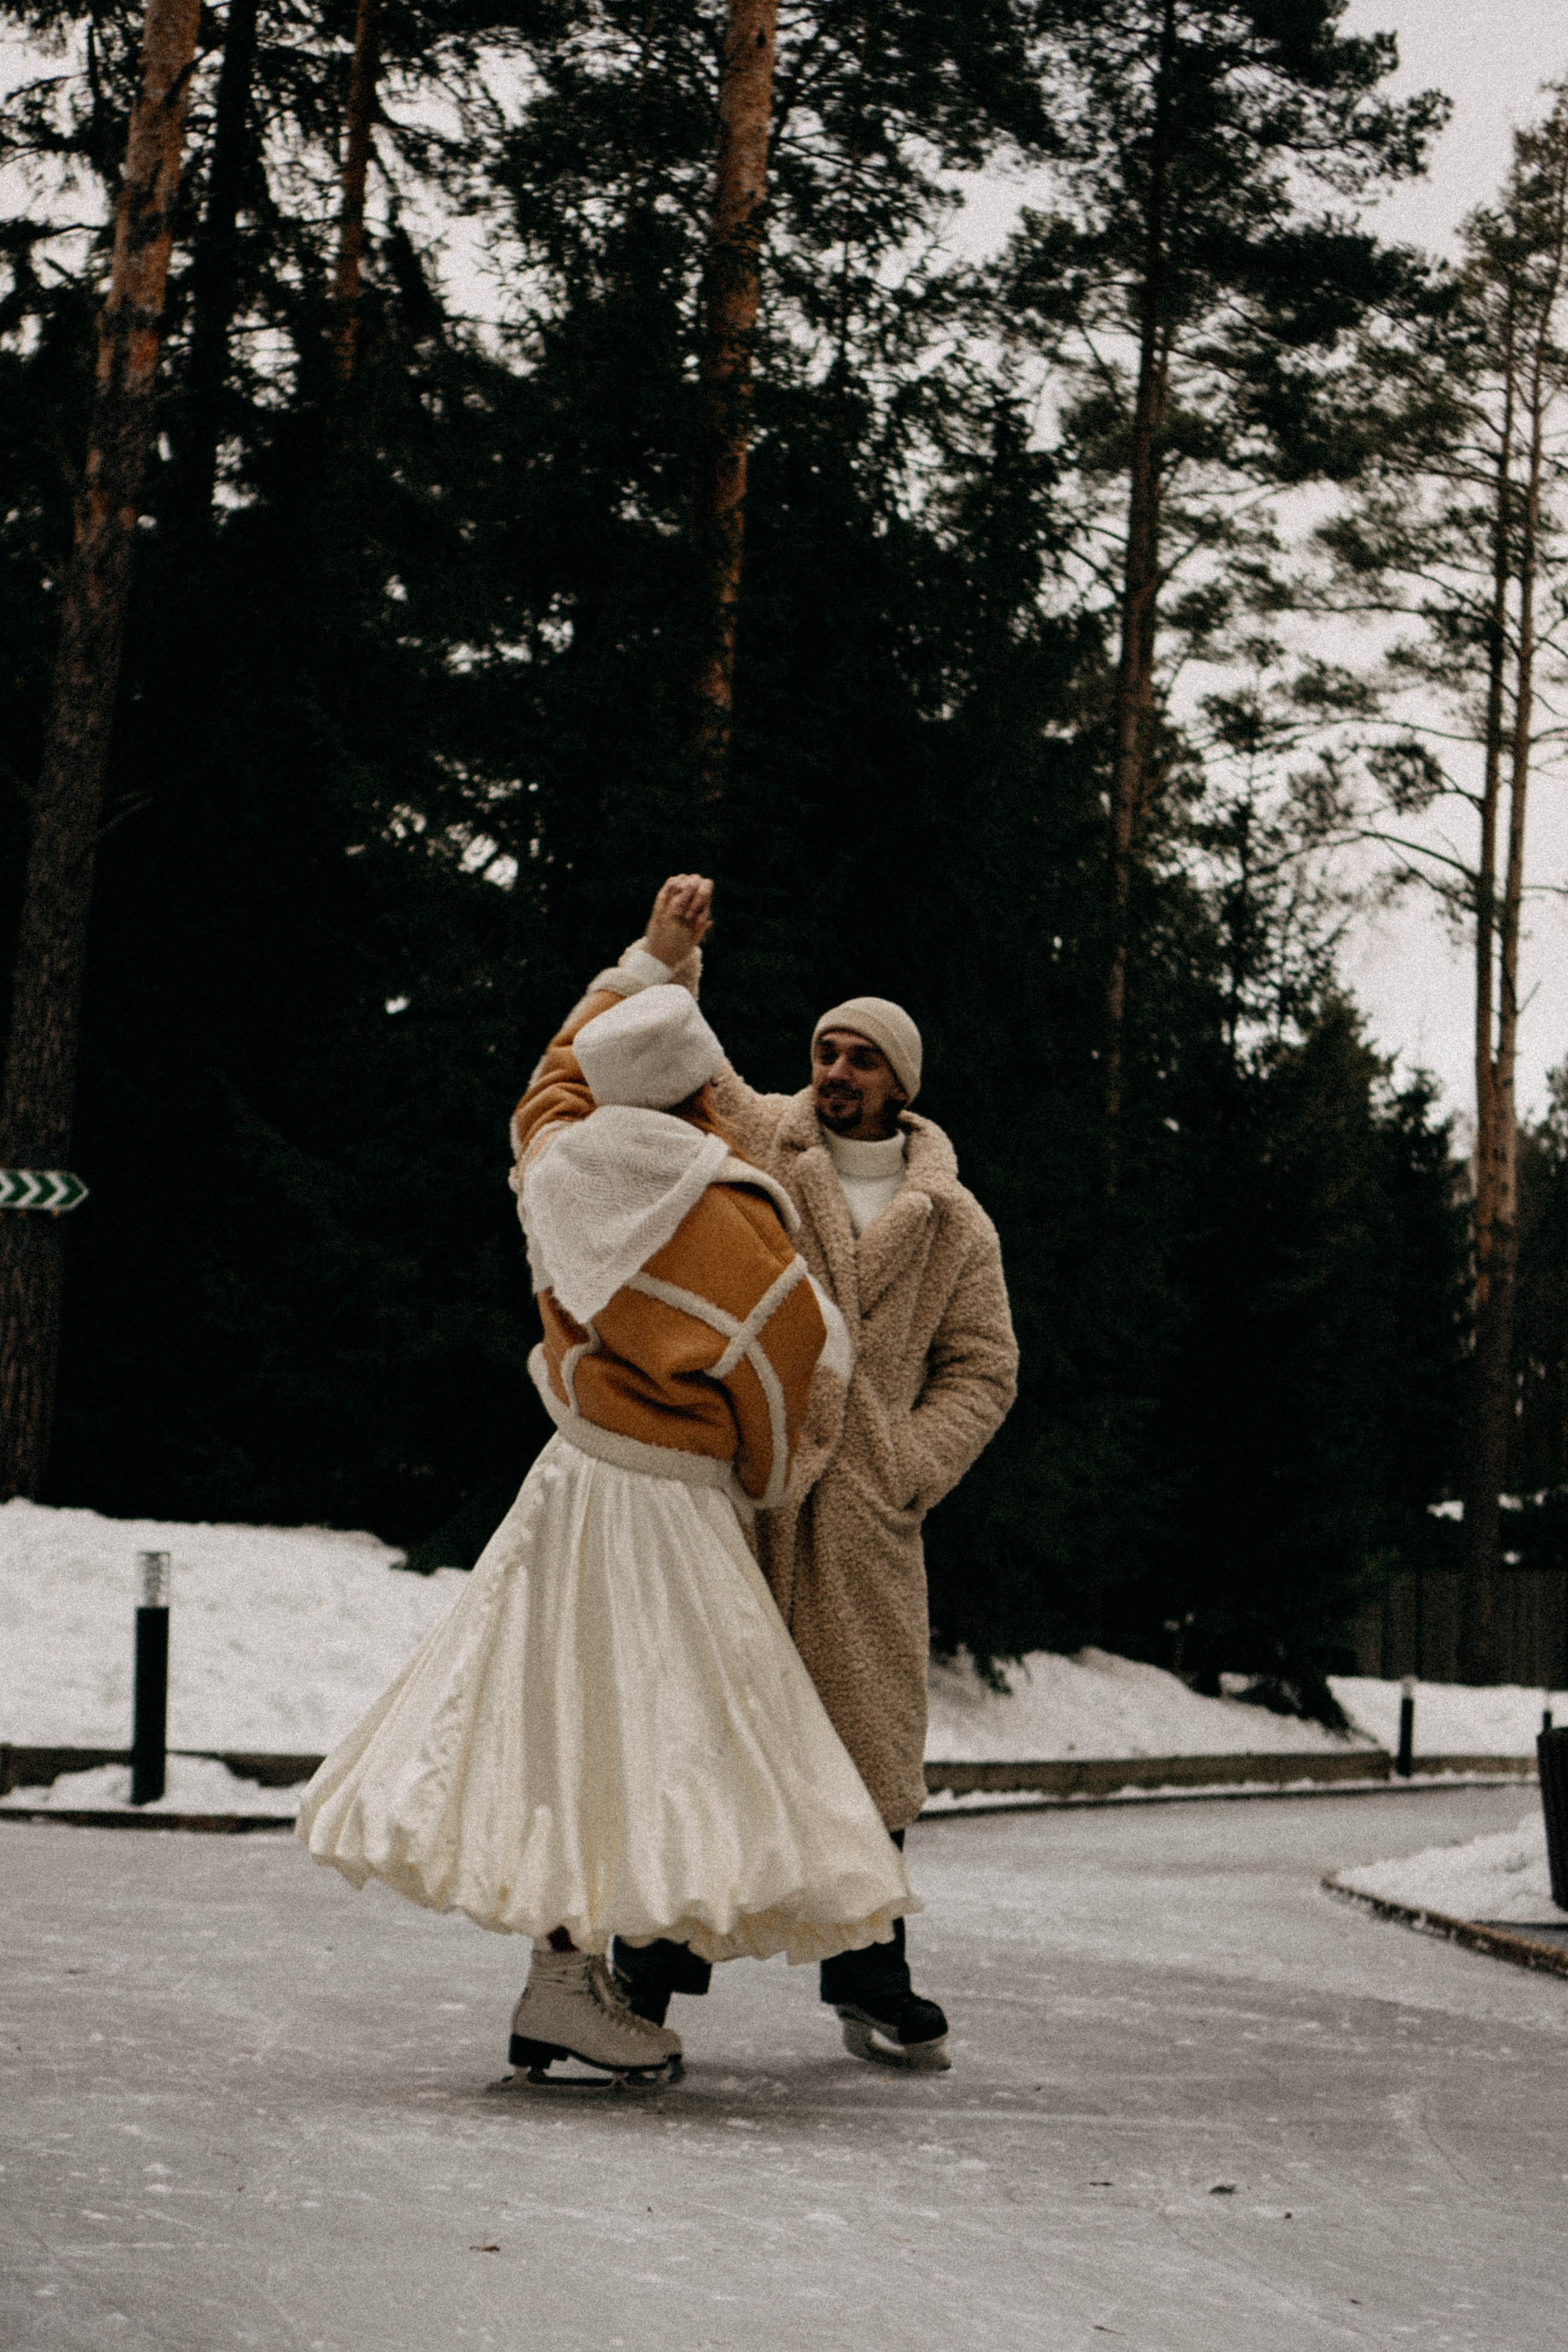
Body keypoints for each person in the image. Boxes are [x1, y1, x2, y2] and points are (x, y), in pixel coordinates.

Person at [297, 974, 916, 2087]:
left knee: (562, 1728)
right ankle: (582, 1983)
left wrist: (643, 957)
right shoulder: (727, 1211)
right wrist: (772, 1479)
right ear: (699, 1096)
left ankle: (561, 1981)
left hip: (572, 1479)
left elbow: (548, 1086)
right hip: (671, 1501)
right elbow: (785, 1376)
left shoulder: (562, 1163)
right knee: (669, 1737)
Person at [591, 878, 1019, 2071]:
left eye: (859, 1059)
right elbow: (681, 1059)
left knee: (865, 1735)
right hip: (750, 1483)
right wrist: (670, 955)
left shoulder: (953, 1224)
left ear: (900, 1082)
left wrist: (907, 1467)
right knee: (708, 1720)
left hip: (864, 1514)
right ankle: (648, 1972)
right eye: (825, 1052)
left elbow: (985, 1366)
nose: (834, 1073)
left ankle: (870, 1975)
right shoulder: (763, 1136)